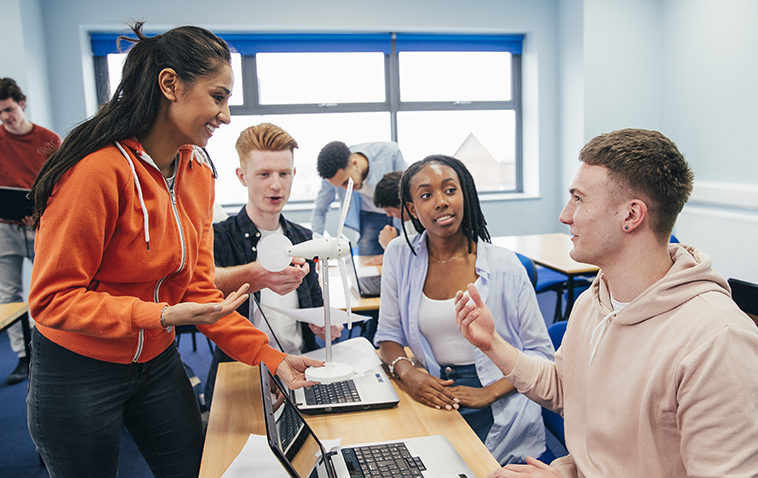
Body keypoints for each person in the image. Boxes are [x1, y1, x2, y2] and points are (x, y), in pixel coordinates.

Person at [27, 23, 321, 478]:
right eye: (218, 96)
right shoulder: (96, 172)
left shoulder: (198, 171)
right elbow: (50, 300)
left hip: (157, 360)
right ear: (170, 85)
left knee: (192, 469)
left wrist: (272, 358)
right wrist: (159, 315)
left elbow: (200, 289)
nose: (225, 116)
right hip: (79, 368)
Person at [455, 128, 758, 477]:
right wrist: (492, 344)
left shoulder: (718, 341)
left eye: (579, 199)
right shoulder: (595, 300)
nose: (565, 215)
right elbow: (566, 391)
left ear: (631, 216)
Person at [374, 154, 554, 465]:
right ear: (413, 210)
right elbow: (389, 336)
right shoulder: (400, 254)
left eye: (450, 190)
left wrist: (489, 393)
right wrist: (409, 375)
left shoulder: (504, 266)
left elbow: (542, 356)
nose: (441, 202)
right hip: (430, 388)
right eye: (426, 195)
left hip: (500, 397)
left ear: (465, 196)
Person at [204, 122, 342, 408]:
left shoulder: (304, 239)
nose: (276, 185)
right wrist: (255, 275)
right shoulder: (219, 237)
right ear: (242, 177)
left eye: (284, 173)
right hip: (242, 372)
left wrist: (324, 324)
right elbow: (203, 285)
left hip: (300, 370)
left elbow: (315, 304)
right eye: (264, 174)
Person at [0, 76, 61, 385]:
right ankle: (23, 358)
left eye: (8, 109)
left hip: (40, 226)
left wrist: (42, 211)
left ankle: (49, 351)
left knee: (46, 291)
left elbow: (60, 185)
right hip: (3, 228)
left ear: (21, 103)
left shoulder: (48, 139)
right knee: (8, 296)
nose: (5, 117)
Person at [310, 140, 407, 256]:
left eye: (346, 182)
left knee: (400, 255)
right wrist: (316, 247)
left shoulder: (390, 153)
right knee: (367, 264)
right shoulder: (331, 176)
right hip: (369, 216)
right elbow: (320, 209)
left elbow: (407, 195)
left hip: (400, 212)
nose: (346, 189)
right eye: (340, 185)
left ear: (354, 163)